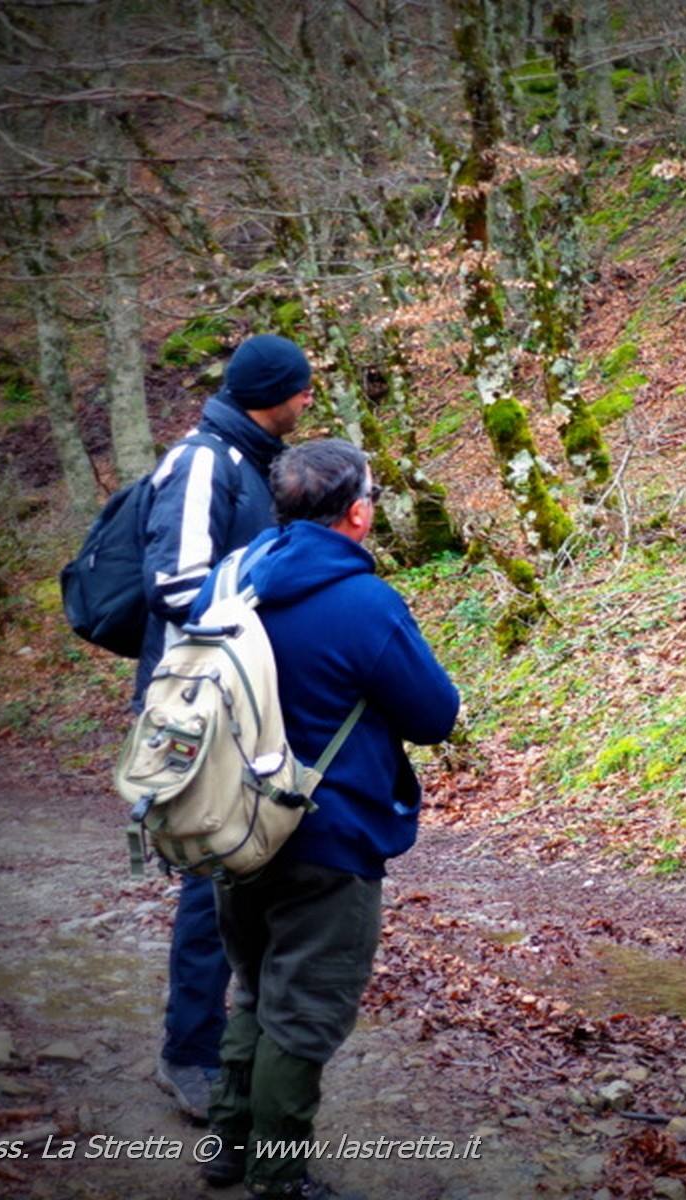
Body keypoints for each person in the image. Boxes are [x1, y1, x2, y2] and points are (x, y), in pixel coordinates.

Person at [191, 439, 460, 1199]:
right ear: (358, 513)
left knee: (254, 989)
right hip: (328, 837)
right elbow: (434, 715)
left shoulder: (231, 578)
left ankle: (226, 1147)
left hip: (232, 827)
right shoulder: (365, 603)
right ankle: (278, 1177)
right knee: (304, 1012)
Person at [142, 334, 315, 1121]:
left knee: (253, 862)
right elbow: (176, 585)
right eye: (302, 388)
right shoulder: (202, 461)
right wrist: (265, 603)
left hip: (245, 701)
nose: (308, 400)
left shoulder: (255, 462)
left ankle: (242, 1041)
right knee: (212, 873)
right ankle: (188, 1053)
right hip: (200, 706)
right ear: (273, 393)